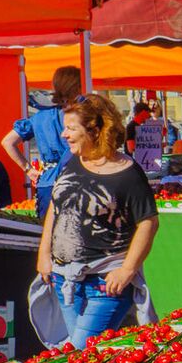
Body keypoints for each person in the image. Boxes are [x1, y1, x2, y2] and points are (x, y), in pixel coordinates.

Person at [35, 95, 158, 348]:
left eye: (71, 128)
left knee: (79, 352)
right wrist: (44, 253)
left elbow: (148, 223)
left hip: (105, 283)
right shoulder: (70, 162)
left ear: (94, 129)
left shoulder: (128, 174)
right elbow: (56, 208)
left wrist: (127, 270)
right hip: (64, 279)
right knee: (81, 356)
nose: (64, 135)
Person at [1, 66, 80, 218]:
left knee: (47, 234)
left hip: (47, 183)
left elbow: (7, 142)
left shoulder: (40, 116)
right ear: (77, 86)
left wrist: (28, 170)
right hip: (76, 181)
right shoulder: (79, 114)